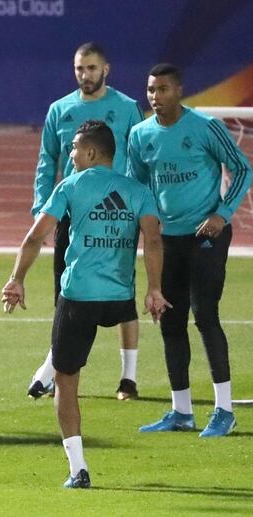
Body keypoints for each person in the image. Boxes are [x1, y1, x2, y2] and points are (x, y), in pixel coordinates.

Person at [2, 120, 170, 488]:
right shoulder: (137, 191)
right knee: (72, 367)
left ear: (91, 152)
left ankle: (78, 469)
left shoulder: (71, 186)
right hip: (120, 299)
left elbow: (34, 237)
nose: (71, 154)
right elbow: (154, 240)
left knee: (66, 381)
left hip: (78, 298)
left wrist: (17, 278)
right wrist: (154, 289)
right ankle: (125, 376)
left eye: (75, 148)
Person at [129, 64, 252, 437]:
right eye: (151, 90)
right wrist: (147, 226)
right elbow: (138, 187)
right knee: (170, 319)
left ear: (179, 90)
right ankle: (181, 411)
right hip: (168, 240)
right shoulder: (140, 135)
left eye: (163, 89)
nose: (155, 96)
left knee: (206, 315)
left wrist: (222, 213)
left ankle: (224, 410)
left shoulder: (204, 126)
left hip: (206, 235)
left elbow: (243, 168)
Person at [29, 42, 145, 401]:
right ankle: (56, 369)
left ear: (106, 69)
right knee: (67, 291)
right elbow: (48, 162)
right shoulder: (60, 110)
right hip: (72, 214)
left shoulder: (126, 109)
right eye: (80, 68)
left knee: (122, 294)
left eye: (92, 68)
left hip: (115, 215)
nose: (85, 75)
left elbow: (138, 159)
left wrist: (142, 210)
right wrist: (41, 211)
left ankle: (129, 378)